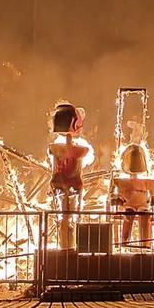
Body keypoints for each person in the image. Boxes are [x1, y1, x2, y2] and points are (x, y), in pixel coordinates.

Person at [47, 101, 94, 250]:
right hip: (72, 183)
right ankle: (68, 246)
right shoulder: (80, 150)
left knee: (65, 217)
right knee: (69, 216)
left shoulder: (54, 148)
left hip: (59, 182)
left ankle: (66, 245)